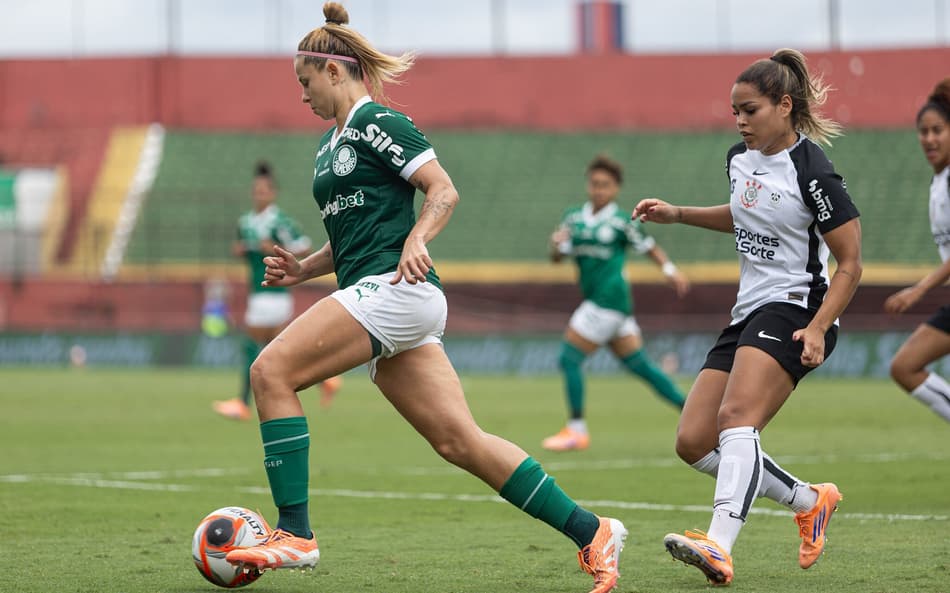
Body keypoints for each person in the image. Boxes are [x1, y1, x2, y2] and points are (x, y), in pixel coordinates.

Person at [224, 5, 627, 592]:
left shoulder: (379, 123)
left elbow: (443, 190)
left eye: (305, 83)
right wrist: (303, 269)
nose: (302, 96)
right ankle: (593, 531)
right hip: (383, 293)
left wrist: (417, 240)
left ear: (334, 73)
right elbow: (352, 237)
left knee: (269, 373)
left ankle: (295, 533)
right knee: (460, 442)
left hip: (396, 291)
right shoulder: (327, 145)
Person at [632, 48, 863, 585]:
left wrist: (820, 326)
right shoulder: (738, 157)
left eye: (750, 110)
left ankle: (718, 544)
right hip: (749, 310)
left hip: (799, 307)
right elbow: (743, 216)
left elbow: (851, 263)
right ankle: (809, 500)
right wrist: (678, 214)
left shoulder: (815, 172)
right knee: (693, 440)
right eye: (734, 110)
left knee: (737, 419)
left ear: (785, 106)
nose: (740, 120)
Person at [543, 154, 690, 452]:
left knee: (569, 358)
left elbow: (650, 248)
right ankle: (694, 414)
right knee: (642, 368)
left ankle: (576, 430)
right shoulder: (573, 217)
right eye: (595, 184)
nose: (599, 190)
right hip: (607, 307)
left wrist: (670, 271)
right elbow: (558, 258)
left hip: (607, 301)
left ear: (616, 189)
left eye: (605, 185)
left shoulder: (623, 222)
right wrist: (555, 246)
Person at [212, 161, 342, 421]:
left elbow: (303, 247)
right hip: (256, 291)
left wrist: (274, 248)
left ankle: (242, 402)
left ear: (273, 193)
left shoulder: (280, 221)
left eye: (263, 191)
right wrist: (242, 251)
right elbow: (246, 251)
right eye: (256, 191)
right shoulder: (246, 222)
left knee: (253, 346)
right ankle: (325, 380)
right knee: (278, 349)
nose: (259, 195)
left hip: (275, 292)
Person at [884, 79, 950, 423]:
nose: (929, 139)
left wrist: (919, 290)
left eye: (937, 130)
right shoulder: (938, 180)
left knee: (905, 366)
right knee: (904, 367)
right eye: (923, 132)